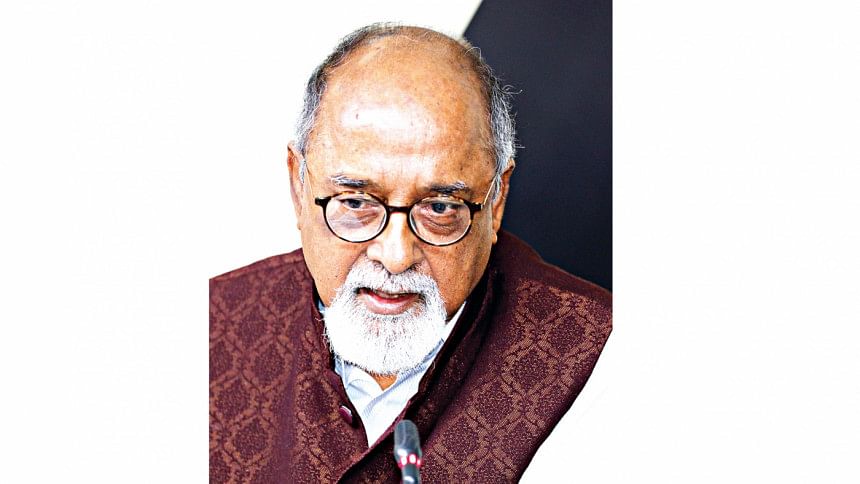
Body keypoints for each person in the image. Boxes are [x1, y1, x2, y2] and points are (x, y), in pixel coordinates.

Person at [210, 23, 611, 482]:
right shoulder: (214, 326)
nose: (396, 255)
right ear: (299, 187)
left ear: (496, 200)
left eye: (440, 207)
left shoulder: (604, 360)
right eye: (356, 203)